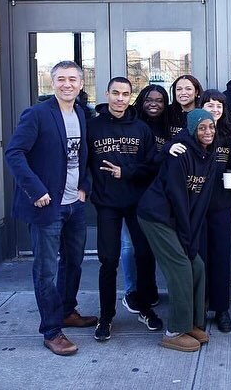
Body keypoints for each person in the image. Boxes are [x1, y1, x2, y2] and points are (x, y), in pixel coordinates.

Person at [4, 60, 97, 356]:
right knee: (45, 270)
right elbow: (14, 153)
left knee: (73, 262)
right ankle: (51, 330)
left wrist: (84, 188)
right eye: (61, 79)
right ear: (52, 82)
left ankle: (68, 311)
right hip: (47, 206)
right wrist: (36, 190)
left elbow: (82, 156)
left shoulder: (82, 113)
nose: (67, 84)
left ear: (81, 84)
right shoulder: (37, 114)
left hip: (74, 204)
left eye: (72, 79)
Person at [137, 109, 218, 352]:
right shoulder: (180, 153)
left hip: (179, 219)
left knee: (198, 265)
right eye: (202, 127)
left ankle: (190, 323)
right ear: (192, 130)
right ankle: (173, 331)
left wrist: (191, 238)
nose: (208, 132)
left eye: (211, 127)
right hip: (157, 216)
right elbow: (178, 198)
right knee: (181, 267)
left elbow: (201, 199)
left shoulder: (209, 155)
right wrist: (185, 235)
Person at [87, 77, 158, 341]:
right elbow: (83, 162)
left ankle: (145, 307)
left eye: (125, 94)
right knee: (108, 260)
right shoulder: (92, 127)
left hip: (136, 202)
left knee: (144, 254)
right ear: (106, 94)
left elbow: (152, 166)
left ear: (130, 96)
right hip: (106, 203)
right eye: (115, 93)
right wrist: (84, 187)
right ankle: (106, 316)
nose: (119, 98)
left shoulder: (141, 128)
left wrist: (125, 171)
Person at [167, 89, 231, 333]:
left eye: (219, 105)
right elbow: (168, 153)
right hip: (194, 205)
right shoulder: (187, 135)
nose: (215, 109)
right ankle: (199, 308)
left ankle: (221, 309)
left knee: (220, 257)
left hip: (220, 203)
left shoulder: (228, 136)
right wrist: (167, 149)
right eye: (210, 105)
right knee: (198, 256)